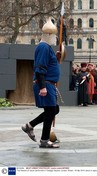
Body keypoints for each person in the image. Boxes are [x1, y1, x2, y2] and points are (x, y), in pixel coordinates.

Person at [21, 18, 60, 148]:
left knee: (54, 109)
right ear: (48, 35)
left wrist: (57, 57)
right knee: (51, 110)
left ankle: (29, 126)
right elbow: (40, 68)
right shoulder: (44, 46)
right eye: (54, 36)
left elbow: (48, 64)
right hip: (46, 84)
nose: (55, 38)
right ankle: (44, 140)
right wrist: (43, 87)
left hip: (49, 83)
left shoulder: (46, 47)